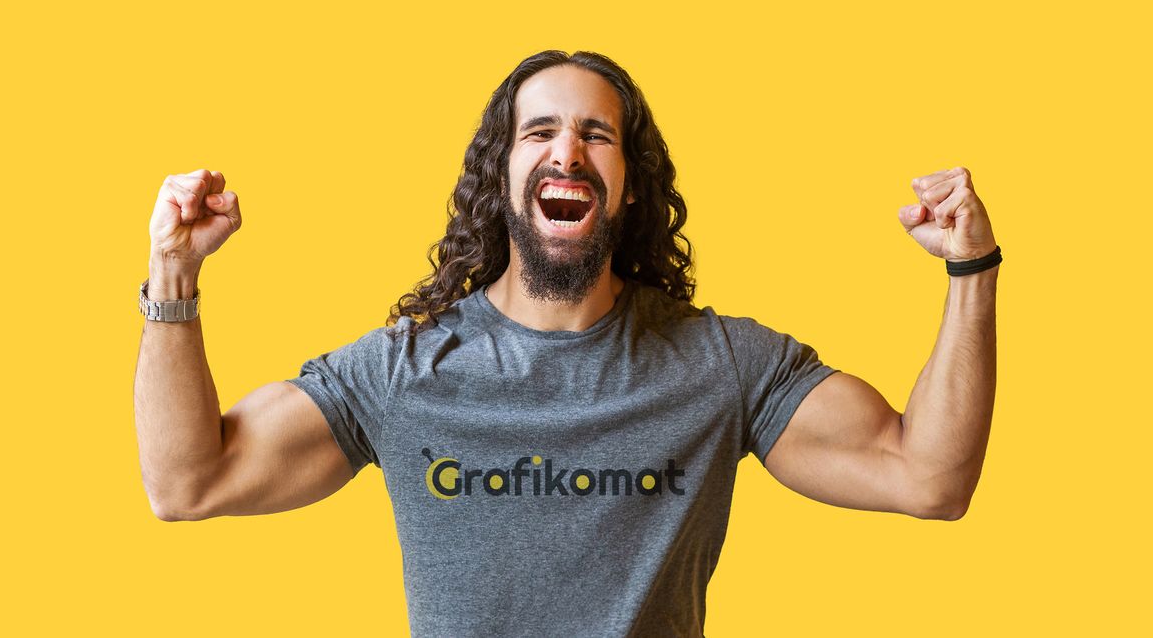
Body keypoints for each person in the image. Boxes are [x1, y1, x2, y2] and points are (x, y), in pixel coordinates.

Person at [134, 50, 1000, 637]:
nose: (567, 151)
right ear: (502, 174)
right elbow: (189, 479)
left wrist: (972, 268)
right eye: (540, 131)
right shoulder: (406, 371)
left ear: (626, 185)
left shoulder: (723, 367)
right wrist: (173, 273)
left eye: (596, 134)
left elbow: (928, 475)